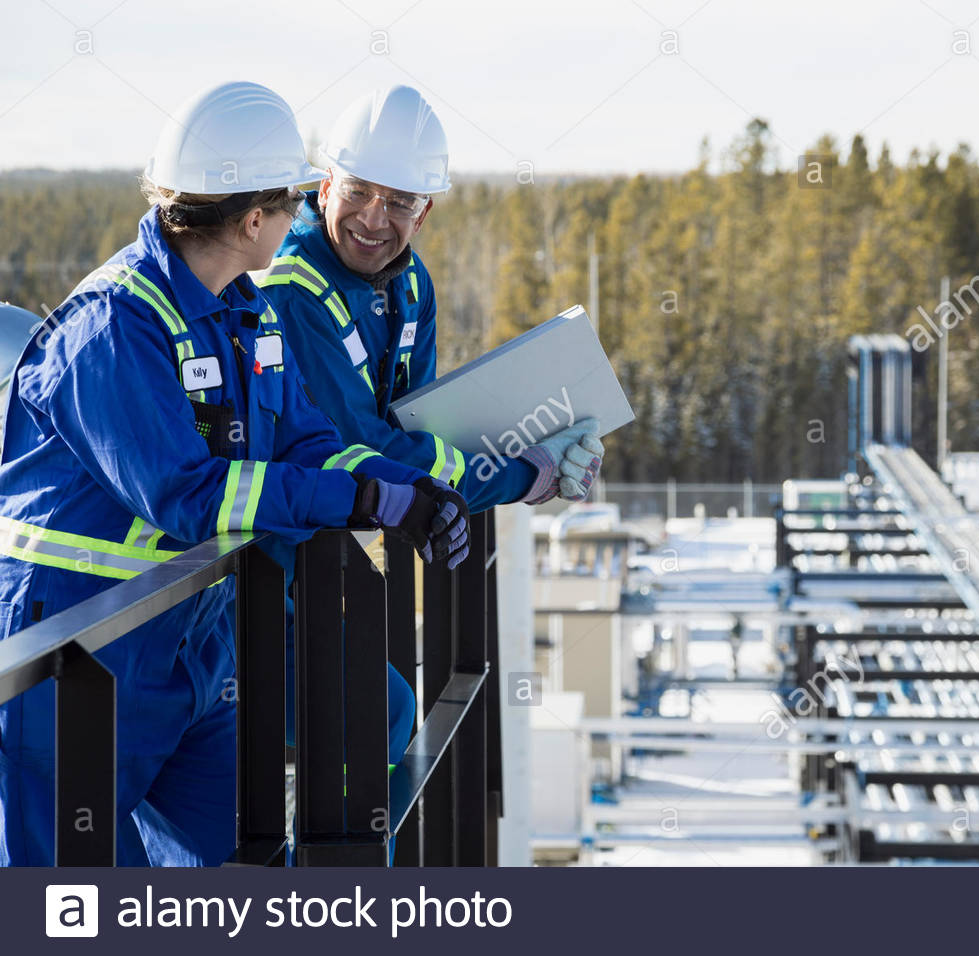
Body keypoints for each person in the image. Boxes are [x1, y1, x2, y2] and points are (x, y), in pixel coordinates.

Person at [0, 81, 467, 867]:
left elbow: (303, 439)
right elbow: (191, 496)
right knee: (76, 910)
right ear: (255, 220)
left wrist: (407, 488)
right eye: (293, 206)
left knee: (240, 880)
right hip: (73, 661)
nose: (299, 223)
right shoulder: (114, 329)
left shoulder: (246, 311)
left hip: (186, 655)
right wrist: (358, 498)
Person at [255, 85, 605, 510]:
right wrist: (521, 475)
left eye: (400, 201)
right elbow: (363, 449)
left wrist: (534, 445)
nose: (373, 218)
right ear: (326, 188)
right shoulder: (292, 292)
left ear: (422, 215)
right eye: (358, 190)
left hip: (362, 527)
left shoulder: (412, 281)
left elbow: (423, 426)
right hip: (295, 549)